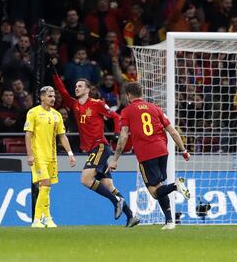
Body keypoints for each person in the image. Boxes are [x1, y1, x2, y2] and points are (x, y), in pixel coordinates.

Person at [53, 72, 140, 228]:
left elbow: (116, 117)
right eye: (75, 86)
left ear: (88, 89)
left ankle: (117, 201)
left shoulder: (97, 104)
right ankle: (131, 216)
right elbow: (63, 91)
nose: (76, 88)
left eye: (80, 86)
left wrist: (116, 132)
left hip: (100, 146)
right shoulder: (75, 104)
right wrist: (54, 74)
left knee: (85, 179)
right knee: (108, 186)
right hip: (92, 149)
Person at [107, 83, 191, 230]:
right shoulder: (155, 108)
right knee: (159, 186)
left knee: (154, 191)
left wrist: (115, 159)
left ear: (128, 95)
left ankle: (176, 186)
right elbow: (172, 131)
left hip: (146, 154)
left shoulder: (127, 111)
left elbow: (123, 136)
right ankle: (170, 221)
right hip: (162, 151)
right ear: (141, 93)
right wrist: (183, 150)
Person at [24, 86, 76, 228]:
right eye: (49, 96)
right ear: (42, 97)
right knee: (45, 184)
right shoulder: (33, 113)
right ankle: (36, 220)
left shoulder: (56, 115)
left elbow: (62, 136)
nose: (53, 98)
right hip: (38, 155)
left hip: (52, 156)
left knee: (46, 187)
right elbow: (28, 134)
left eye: (53, 96)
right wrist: (29, 155)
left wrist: (70, 154)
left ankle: (47, 218)